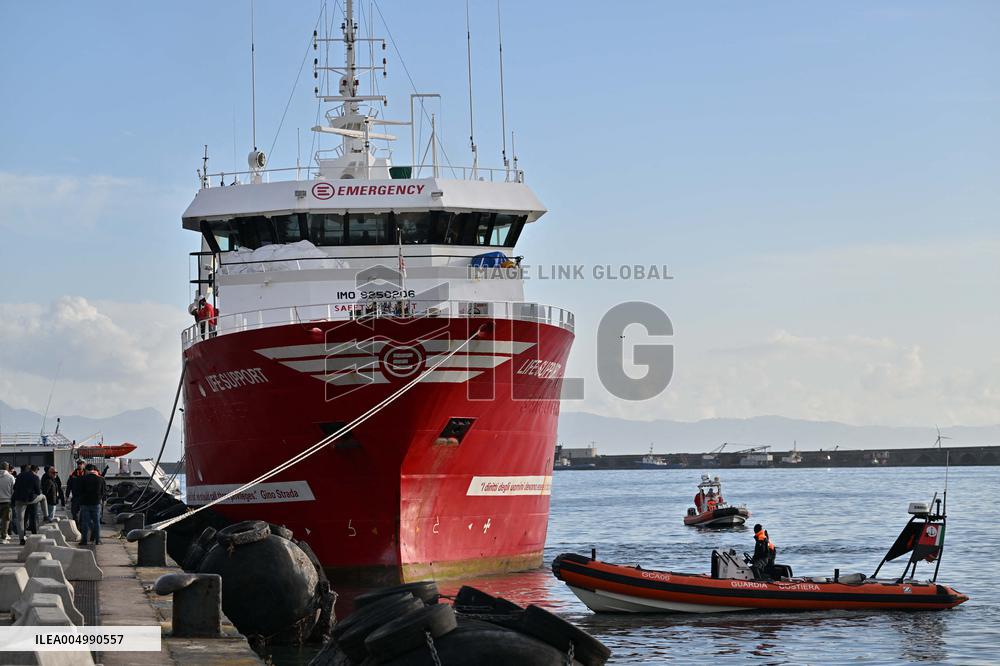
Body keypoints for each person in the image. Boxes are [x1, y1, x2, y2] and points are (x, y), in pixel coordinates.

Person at [12, 464, 41, 545]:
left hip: (19, 500)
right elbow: (38, 491)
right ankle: (45, 517)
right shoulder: (35, 477)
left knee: (20, 520)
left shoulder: (19, 476)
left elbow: (14, 488)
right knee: (33, 517)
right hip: (31, 500)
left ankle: (22, 539)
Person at [77, 464, 106, 546]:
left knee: (85, 523)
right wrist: (99, 499)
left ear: (87, 470)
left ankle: (84, 541)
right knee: (97, 522)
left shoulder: (82, 479)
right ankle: (97, 540)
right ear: (94, 470)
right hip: (96, 503)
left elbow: (79, 491)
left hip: (85, 503)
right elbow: (103, 492)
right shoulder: (101, 479)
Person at [0, 462, 14, 542]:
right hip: (7, 501)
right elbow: (13, 490)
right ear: (8, 468)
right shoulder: (10, 477)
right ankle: (4, 537)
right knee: (5, 520)